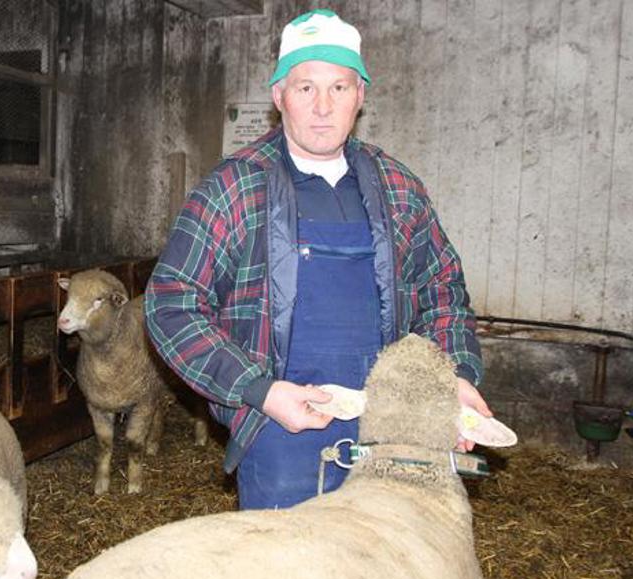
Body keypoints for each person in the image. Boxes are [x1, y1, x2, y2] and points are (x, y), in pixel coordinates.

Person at [144, 9, 492, 510]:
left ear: (361, 97)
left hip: (391, 429)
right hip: (281, 434)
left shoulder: (399, 189)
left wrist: (453, 375)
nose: (323, 107)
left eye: (340, 88)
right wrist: (258, 390)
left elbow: (443, 292)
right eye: (306, 88)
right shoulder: (234, 188)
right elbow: (170, 305)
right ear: (279, 96)